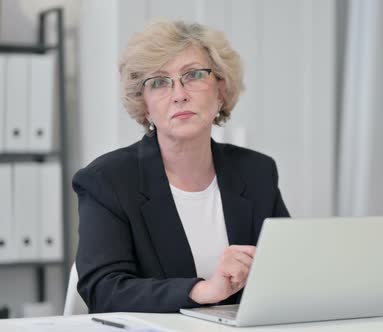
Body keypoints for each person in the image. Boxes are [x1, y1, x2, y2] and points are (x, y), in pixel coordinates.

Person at [73, 20, 290, 313]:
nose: (179, 94)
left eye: (194, 75)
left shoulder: (257, 172)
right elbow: (103, 290)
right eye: (159, 82)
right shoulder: (107, 180)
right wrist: (202, 290)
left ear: (221, 91)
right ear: (145, 104)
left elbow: (289, 269)